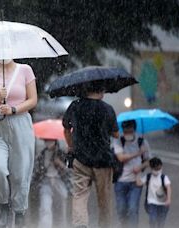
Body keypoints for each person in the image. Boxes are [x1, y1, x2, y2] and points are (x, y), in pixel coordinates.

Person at [0, 59, 37, 228]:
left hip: (21, 124)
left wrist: (13, 109)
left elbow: (33, 100)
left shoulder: (25, 69)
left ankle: (19, 212)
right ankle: (3, 204)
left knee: (20, 175)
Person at [62, 82, 119, 228]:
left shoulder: (75, 106)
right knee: (104, 200)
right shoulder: (107, 109)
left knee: (79, 195)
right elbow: (116, 134)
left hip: (80, 159)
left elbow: (66, 129)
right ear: (101, 90)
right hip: (103, 161)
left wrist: (71, 146)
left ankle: (80, 225)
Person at [113, 120, 151, 228]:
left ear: (134, 129)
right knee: (121, 209)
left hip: (136, 182)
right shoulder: (118, 140)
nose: (127, 133)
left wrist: (140, 167)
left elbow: (148, 160)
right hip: (120, 181)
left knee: (133, 208)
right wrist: (138, 153)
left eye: (129, 130)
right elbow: (121, 158)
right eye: (125, 131)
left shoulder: (142, 141)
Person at [31, 139, 73, 228]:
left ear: (55, 141)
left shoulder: (62, 154)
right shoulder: (41, 155)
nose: (48, 142)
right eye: (46, 140)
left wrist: (60, 164)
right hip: (46, 183)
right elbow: (36, 173)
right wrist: (44, 167)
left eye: (50, 140)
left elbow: (69, 172)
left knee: (61, 210)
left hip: (60, 182)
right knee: (45, 208)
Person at [136, 157, 171, 228]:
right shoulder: (148, 177)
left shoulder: (164, 177)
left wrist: (168, 199)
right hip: (151, 203)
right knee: (153, 219)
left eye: (159, 169)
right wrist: (137, 173)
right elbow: (139, 183)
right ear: (151, 168)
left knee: (161, 221)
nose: (157, 171)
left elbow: (168, 188)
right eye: (155, 169)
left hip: (163, 204)